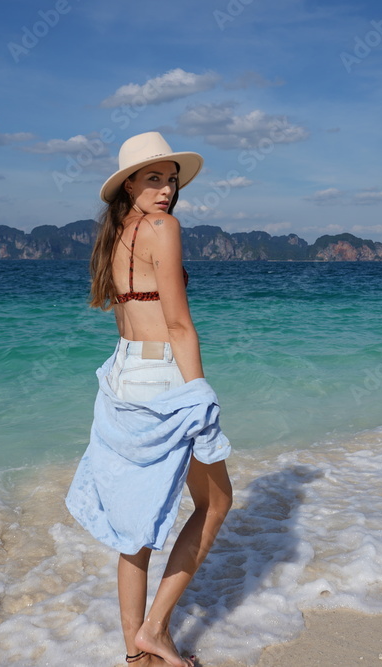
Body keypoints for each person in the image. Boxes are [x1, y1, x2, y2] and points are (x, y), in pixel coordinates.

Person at [65, 132, 233, 667]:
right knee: (216, 501)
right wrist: (200, 399)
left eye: (171, 180)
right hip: (162, 378)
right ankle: (155, 630)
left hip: (122, 375)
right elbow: (180, 325)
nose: (165, 191)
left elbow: (125, 317)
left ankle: (135, 656)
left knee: (133, 530)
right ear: (129, 185)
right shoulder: (164, 229)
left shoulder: (117, 234)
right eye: (153, 179)